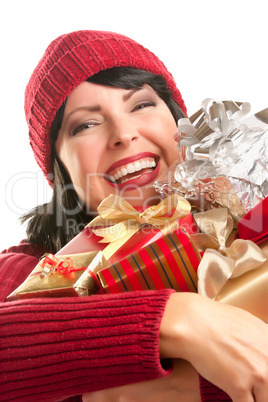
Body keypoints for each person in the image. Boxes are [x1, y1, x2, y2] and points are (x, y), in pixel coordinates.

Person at [1, 30, 268, 402]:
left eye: (141, 104)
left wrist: (182, 386)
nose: (124, 134)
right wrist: (174, 318)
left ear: (179, 124)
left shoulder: (251, 230)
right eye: (86, 125)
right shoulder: (21, 270)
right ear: (58, 172)